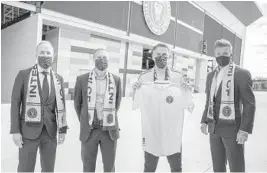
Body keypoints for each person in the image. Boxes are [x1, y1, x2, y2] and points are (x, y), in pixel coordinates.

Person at [132, 43, 193, 172]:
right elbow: (136, 102)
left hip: (172, 131)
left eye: (165, 55)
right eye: (158, 54)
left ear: (169, 56)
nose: (162, 57)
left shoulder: (179, 78)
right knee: (149, 168)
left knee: (176, 168)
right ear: (152, 56)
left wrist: (188, 90)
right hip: (152, 130)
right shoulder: (144, 78)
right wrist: (136, 90)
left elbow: (189, 104)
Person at [10, 41, 68, 172]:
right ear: (36, 55)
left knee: (48, 169)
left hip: (50, 132)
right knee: (25, 168)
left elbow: (62, 106)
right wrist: (15, 131)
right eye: (42, 52)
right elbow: (15, 104)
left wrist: (63, 129)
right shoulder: (23, 75)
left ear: (54, 56)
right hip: (28, 131)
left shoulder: (59, 79)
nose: (45, 55)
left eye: (48, 53)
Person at [200, 39, 256, 172]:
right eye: (218, 53)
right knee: (218, 168)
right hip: (214, 129)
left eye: (225, 53)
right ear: (214, 54)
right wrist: (204, 121)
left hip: (233, 130)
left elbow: (249, 104)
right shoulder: (210, 76)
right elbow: (209, 101)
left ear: (231, 54)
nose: (221, 56)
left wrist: (244, 129)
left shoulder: (241, 74)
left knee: (236, 168)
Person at [74, 48, 122, 172]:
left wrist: (107, 118)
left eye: (105, 58)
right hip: (90, 130)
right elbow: (77, 105)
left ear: (109, 61)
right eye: (99, 58)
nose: (102, 60)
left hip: (109, 130)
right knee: (88, 165)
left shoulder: (116, 80)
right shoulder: (82, 79)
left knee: (109, 166)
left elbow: (116, 104)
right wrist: (87, 120)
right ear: (93, 60)